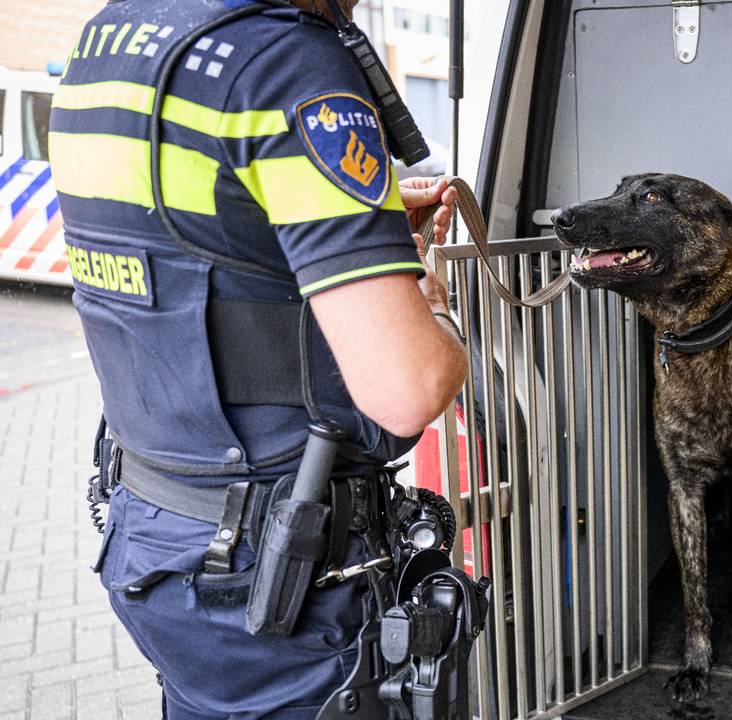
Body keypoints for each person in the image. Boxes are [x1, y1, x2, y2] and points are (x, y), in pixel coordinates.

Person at [49, 0, 469, 716]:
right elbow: (410, 386)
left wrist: (347, 239)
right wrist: (429, 303)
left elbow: (183, 250)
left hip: (153, 540)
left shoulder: (107, 41)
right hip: (285, 580)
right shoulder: (285, 62)